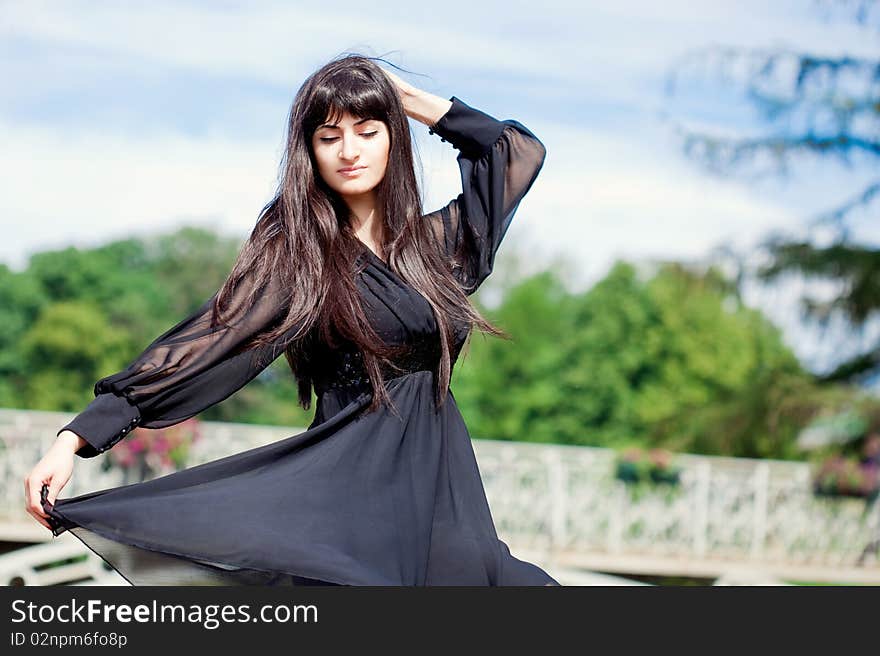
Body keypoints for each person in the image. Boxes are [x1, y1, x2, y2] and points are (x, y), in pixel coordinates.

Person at [24, 53, 560, 586]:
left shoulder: (436, 247)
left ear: (393, 138)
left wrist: (407, 99)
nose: (349, 151)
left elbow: (515, 152)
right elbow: (210, 338)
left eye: (368, 132)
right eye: (329, 137)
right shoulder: (299, 258)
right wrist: (76, 438)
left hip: (448, 505)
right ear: (310, 151)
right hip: (351, 506)